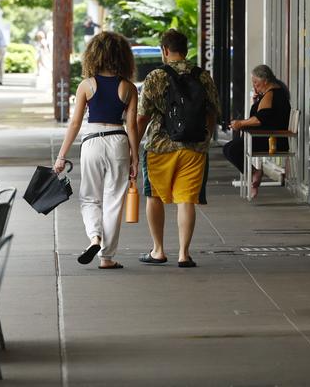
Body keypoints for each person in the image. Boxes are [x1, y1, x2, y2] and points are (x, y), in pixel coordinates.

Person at [53, 32, 139, 269]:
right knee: (114, 201)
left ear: (93, 55)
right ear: (123, 57)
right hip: (118, 141)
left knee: (90, 197)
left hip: (92, 141)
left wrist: (61, 156)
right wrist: (135, 157)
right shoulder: (128, 88)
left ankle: (94, 237)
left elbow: (75, 123)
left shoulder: (86, 85)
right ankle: (107, 257)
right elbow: (131, 126)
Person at [137, 29, 220, 268]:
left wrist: (134, 146)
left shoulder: (155, 77)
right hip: (194, 147)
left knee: (154, 196)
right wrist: (206, 138)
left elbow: (142, 117)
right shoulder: (203, 76)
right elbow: (212, 112)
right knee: (186, 199)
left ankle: (158, 250)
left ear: (165, 50)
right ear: (185, 49)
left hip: (159, 148)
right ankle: (184, 254)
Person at [223, 65, 291, 198]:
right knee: (229, 148)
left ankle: (254, 173)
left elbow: (259, 120)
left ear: (265, 80)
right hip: (267, 137)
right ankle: (254, 173)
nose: (254, 85)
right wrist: (255, 100)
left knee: (231, 149)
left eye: (255, 82)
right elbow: (260, 116)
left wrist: (240, 123)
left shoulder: (272, 94)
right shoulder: (269, 93)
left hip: (273, 141)